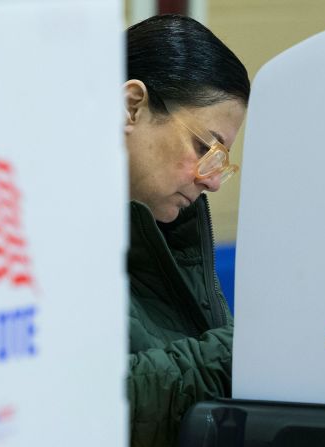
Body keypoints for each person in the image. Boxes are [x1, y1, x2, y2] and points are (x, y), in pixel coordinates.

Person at [124, 14, 250, 447]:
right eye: (204, 147)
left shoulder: (176, 237)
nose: (212, 179)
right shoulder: (45, 231)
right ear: (132, 107)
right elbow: (106, 397)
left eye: (221, 159)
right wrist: (256, 350)